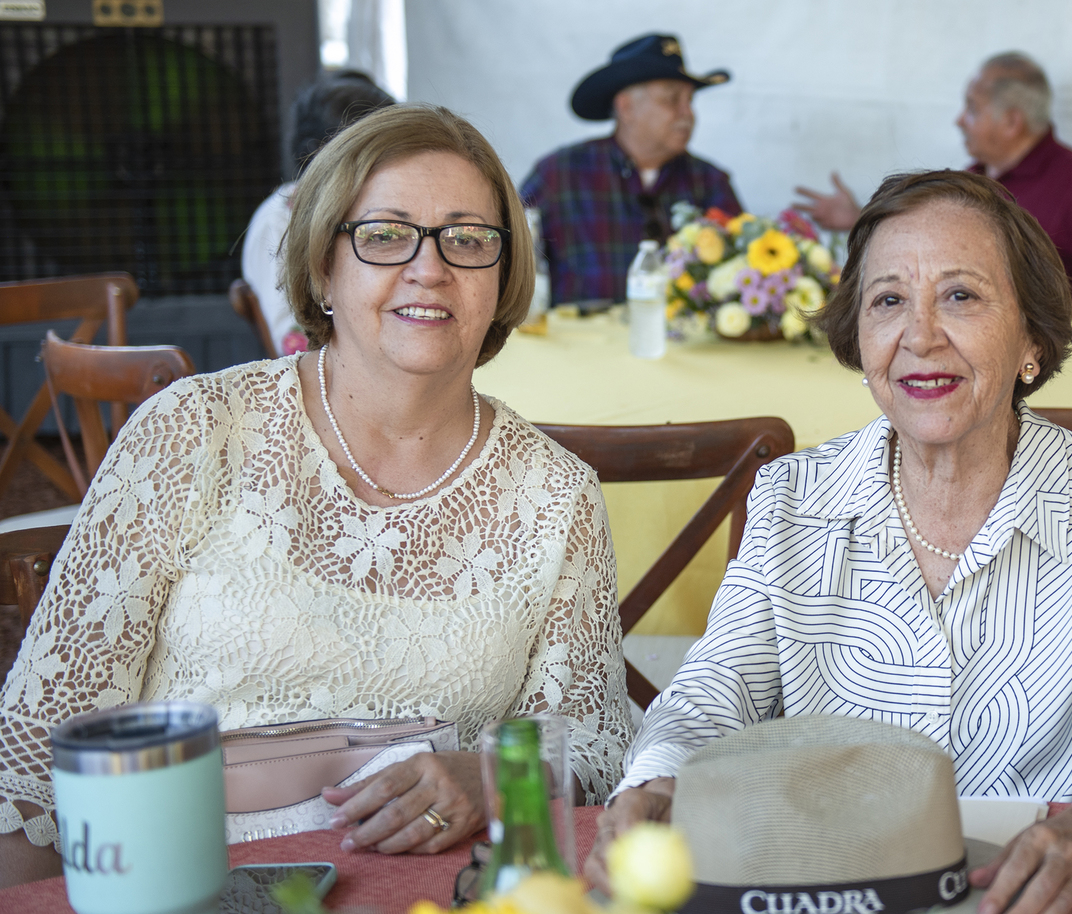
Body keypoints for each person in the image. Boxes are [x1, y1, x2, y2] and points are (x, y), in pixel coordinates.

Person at [0, 104, 633, 888]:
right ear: (323, 266)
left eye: (469, 239)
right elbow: (37, 758)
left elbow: (595, 745)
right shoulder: (195, 431)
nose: (430, 268)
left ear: (503, 277)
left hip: (433, 895)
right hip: (183, 888)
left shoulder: (556, 494)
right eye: (385, 235)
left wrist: (493, 775)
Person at [588, 171, 1072, 914]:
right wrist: (659, 779)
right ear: (859, 337)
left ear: (1031, 338)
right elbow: (714, 691)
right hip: (828, 886)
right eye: (889, 301)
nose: (921, 336)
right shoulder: (792, 498)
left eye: (960, 296)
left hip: (1032, 895)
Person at [794, 52, 1072, 319]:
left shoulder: (1071, 180)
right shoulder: (977, 175)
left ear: (1012, 122)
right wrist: (860, 218)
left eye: (972, 108)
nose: (959, 120)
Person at [521, 33, 743, 307]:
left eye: (690, 101)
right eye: (672, 99)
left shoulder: (709, 181)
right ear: (626, 107)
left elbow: (743, 273)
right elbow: (506, 259)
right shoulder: (559, 175)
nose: (688, 113)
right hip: (577, 334)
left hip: (680, 334)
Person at [241, 70, 394, 355]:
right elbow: (295, 344)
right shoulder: (281, 219)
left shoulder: (376, 209)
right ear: (317, 152)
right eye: (369, 152)